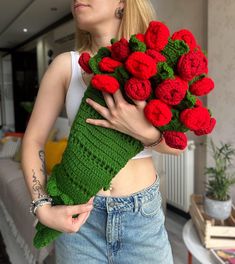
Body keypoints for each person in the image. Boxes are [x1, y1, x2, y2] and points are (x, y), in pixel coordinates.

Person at [22, 0, 184, 263]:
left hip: (141, 219)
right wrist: (42, 207)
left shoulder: (155, 63)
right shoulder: (67, 66)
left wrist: (144, 132)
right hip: (79, 219)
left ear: (122, 2)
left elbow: (178, 145)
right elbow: (33, 140)